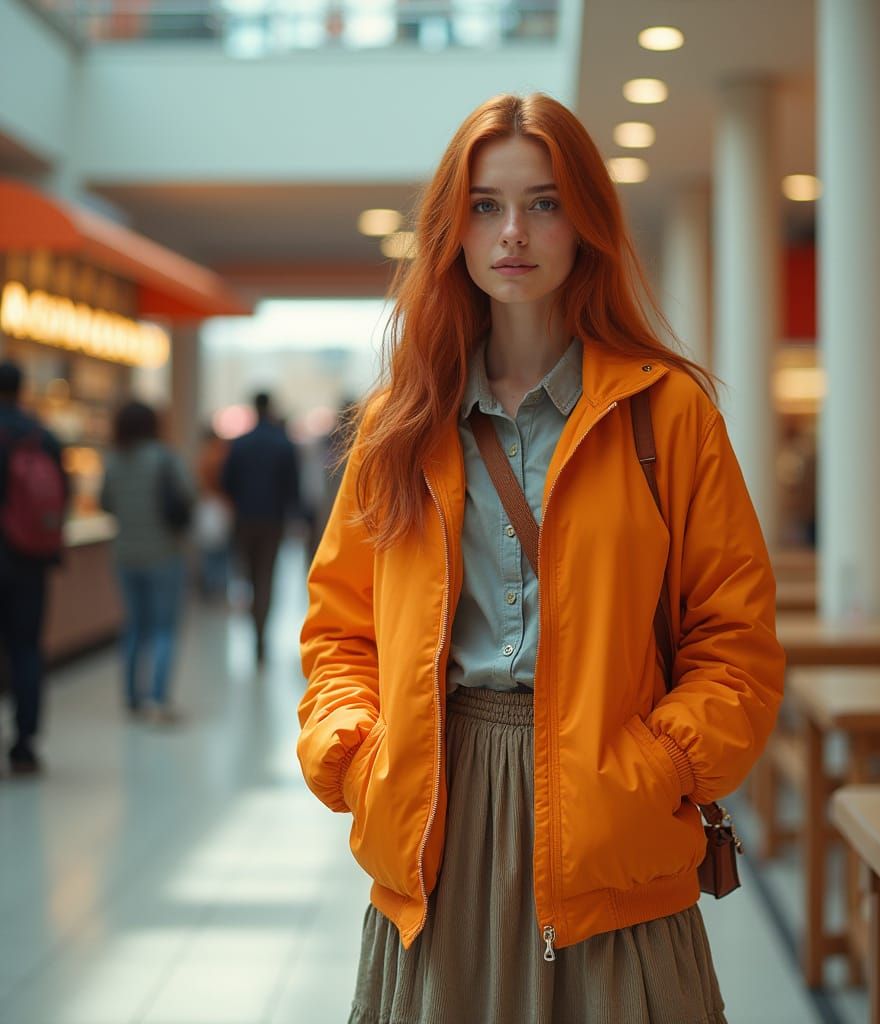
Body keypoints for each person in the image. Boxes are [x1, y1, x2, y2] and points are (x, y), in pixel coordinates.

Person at [296, 94, 785, 1024]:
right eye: (485, 204)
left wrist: (660, 768)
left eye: (544, 203)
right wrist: (362, 759)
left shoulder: (666, 413)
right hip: (440, 811)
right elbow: (338, 633)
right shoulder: (402, 424)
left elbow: (737, 639)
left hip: (612, 819)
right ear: (453, 228)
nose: (513, 232)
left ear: (586, 221)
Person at [101, 401, 193, 722]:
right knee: (164, 628)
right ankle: (157, 698)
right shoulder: (164, 458)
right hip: (164, 553)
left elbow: (105, 502)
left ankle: (131, 697)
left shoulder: (112, 460)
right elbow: (187, 498)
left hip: (125, 554)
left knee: (134, 626)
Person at [0, 360, 67, 774]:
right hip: (28, 561)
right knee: (26, 650)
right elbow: (63, 498)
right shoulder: (42, 437)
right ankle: (24, 743)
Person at [220, 392, 299, 664]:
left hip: (244, 519)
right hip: (273, 520)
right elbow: (293, 488)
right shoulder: (283, 444)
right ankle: (260, 637)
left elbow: (226, 482)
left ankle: (254, 625)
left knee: (249, 577)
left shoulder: (240, 444)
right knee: (266, 578)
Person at [193, 425, 233, 600]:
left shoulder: (205, 458)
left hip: (210, 506)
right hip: (220, 506)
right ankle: (219, 587)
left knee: (211, 551)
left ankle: (212, 586)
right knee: (220, 551)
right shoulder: (221, 456)